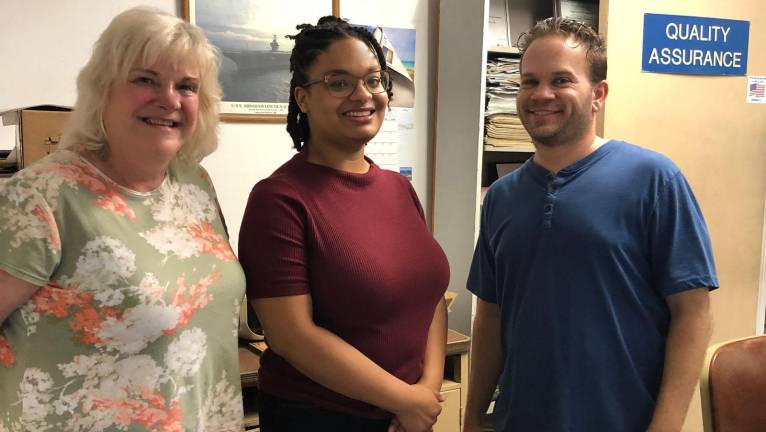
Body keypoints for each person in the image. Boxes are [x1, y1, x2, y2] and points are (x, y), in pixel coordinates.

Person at [463, 17, 718, 432]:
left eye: (561, 80)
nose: (541, 94)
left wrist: (668, 422)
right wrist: (473, 416)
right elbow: (489, 317)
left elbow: (693, 312)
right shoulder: (502, 198)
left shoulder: (653, 179)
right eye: (530, 82)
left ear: (598, 94)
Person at [0, 7, 245, 432]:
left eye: (186, 86)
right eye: (145, 79)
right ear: (102, 90)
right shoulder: (40, 197)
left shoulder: (195, 185)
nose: (169, 99)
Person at [237, 16, 449, 432]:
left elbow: (432, 296)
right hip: (322, 417)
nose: (363, 95)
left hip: (408, 414)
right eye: (338, 82)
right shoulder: (279, 199)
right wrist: (405, 399)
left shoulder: (397, 188)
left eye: (373, 80)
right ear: (302, 98)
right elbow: (292, 336)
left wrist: (426, 390)